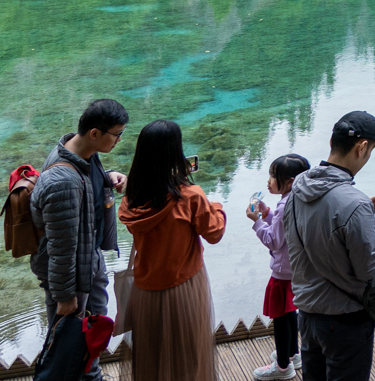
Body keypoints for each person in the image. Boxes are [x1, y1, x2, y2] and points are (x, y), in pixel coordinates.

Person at [285, 110, 375, 381]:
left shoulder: (297, 189)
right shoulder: (353, 203)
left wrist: (364, 214)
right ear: (362, 147)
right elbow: (367, 269)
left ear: (332, 141)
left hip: (307, 316)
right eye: (369, 152)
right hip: (345, 320)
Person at [118, 119, 227, 381]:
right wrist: (217, 206)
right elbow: (214, 233)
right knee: (188, 356)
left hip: (145, 291)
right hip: (184, 288)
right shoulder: (191, 196)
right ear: (175, 153)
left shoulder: (132, 196)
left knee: (153, 358)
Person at [29, 97, 130, 365]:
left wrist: (108, 177)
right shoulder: (62, 182)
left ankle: (90, 372)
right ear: (95, 133)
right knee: (68, 349)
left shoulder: (85, 153)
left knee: (91, 340)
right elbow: (60, 249)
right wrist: (65, 298)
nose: (119, 140)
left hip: (88, 260)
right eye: (117, 135)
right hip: (71, 277)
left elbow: (85, 185)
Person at [248, 153, 311, 381]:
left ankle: (283, 367)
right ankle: (293, 354)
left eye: (273, 176)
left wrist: (256, 221)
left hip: (282, 272)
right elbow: (282, 227)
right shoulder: (298, 198)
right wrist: (267, 213)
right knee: (289, 311)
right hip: (296, 269)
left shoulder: (285, 206)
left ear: (290, 181)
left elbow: (273, 240)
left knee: (280, 318)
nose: (268, 181)